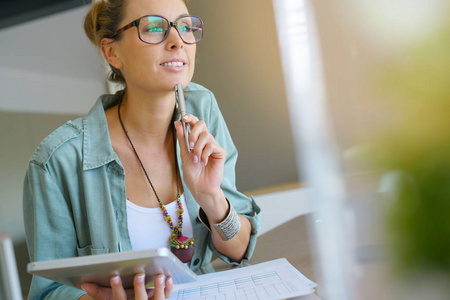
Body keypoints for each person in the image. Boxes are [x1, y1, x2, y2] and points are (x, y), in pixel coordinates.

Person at [23, 0, 261, 299]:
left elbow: (238, 251)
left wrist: (211, 197)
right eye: (153, 28)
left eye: (185, 26)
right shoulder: (57, 161)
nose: (177, 41)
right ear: (112, 52)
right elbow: (47, 293)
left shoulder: (202, 109)